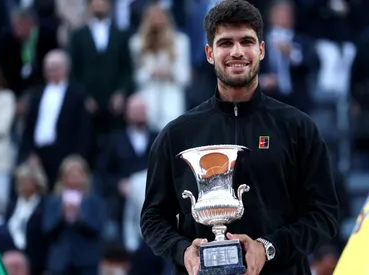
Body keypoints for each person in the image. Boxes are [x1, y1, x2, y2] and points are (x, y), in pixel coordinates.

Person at [140, 1, 339, 275]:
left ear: (261, 50)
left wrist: (269, 247)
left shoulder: (298, 128)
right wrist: (182, 251)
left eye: (246, 41)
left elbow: (324, 215)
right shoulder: (177, 134)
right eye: (225, 43)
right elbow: (153, 218)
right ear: (209, 53)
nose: (236, 52)